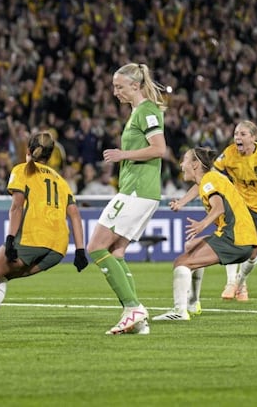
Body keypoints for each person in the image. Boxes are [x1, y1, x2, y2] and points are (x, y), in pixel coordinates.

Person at [0, 132, 88, 333]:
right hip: (58, 249)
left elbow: (17, 207)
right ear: (51, 155)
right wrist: (80, 251)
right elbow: (75, 215)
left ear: (28, 150)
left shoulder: (22, 170)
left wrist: (10, 239)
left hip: (33, 237)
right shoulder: (61, 181)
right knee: (3, 276)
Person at [87, 63, 167, 335]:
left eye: (119, 86)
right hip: (139, 191)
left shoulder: (147, 111)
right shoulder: (138, 112)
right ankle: (137, 320)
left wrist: (123, 155)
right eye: (113, 86)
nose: (114, 91)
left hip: (137, 191)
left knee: (96, 247)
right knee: (115, 251)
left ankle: (133, 308)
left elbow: (159, 148)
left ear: (135, 86)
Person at [154, 147, 257, 321]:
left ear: (195, 164)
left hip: (234, 238)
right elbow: (199, 187)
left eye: (185, 160)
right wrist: (181, 203)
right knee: (190, 246)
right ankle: (193, 303)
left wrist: (202, 224)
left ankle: (179, 312)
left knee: (181, 262)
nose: (181, 165)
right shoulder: (210, 179)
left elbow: (218, 208)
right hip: (241, 237)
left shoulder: (210, 180)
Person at [170, 120, 257, 303]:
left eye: (243, 134)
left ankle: (240, 282)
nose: (237, 137)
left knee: (253, 253)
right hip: (239, 205)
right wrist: (182, 201)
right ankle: (231, 283)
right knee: (231, 238)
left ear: (254, 138)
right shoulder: (230, 154)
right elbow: (205, 179)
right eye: (236, 133)